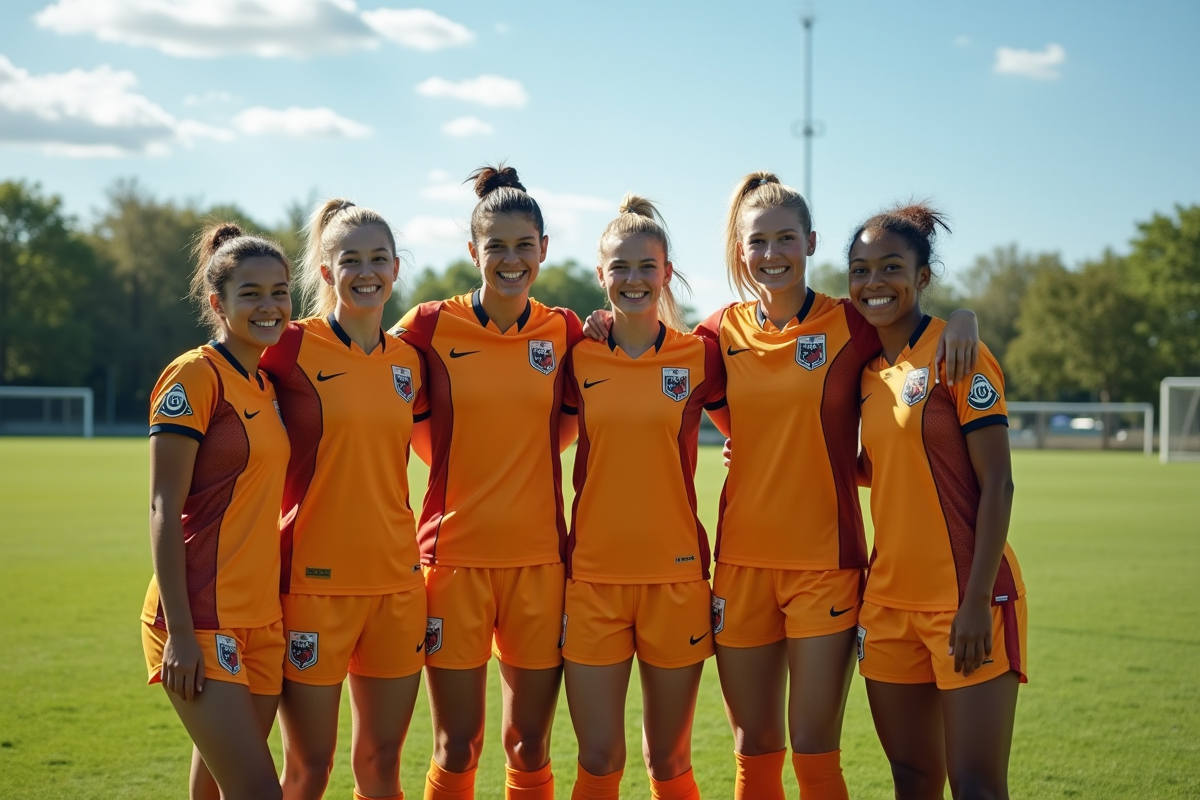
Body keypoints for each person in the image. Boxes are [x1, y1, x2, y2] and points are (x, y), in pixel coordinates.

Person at [583, 172, 980, 800]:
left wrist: (962, 317)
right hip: (739, 565)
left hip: (825, 564)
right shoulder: (717, 334)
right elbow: (669, 373)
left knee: (813, 747)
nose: (772, 254)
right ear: (742, 252)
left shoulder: (850, 324)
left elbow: (913, 328)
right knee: (755, 746)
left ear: (811, 242)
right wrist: (600, 321)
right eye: (759, 242)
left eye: (786, 239)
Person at [392, 165, 583, 800]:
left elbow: (573, 423)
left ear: (544, 250)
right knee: (458, 742)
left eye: (523, 245)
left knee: (528, 742)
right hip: (452, 562)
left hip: (538, 564)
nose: (510, 259)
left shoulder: (565, 331)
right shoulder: (427, 326)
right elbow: (362, 374)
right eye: (495, 246)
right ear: (473, 252)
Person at [850, 203, 1026, 800]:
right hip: (886, 606)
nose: (874, 282)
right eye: (860, 269)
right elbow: (887, 470)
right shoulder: (868, 372)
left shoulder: (959, 354)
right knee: (913, 779)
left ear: (923, 277)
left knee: (975, 785)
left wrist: (977, 601)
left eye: (891, 267)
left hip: (965, 601)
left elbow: (998, 484)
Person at [259, 200, 429, 800]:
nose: (367, 271)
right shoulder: (289, 347)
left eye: (378, 258)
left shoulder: (410, 359)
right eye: (349, 259)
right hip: (312, 586)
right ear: (327, 272)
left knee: (382, 766)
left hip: (398, 585)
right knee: (309, 769)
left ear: (396, 267)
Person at [561, 196, 728, 800]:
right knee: (600, 758)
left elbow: (765, 418)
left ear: (666, 272)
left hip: (677, 578)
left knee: (669, 760)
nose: (633, 280)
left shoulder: (699, 355)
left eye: (646, 267)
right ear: (601, 275)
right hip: (593, 581)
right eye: (619, 268)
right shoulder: (574, 354)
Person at [141, 223, 292, 800]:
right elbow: (162, 505)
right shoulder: (194, 376)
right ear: (217, 303)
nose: (269, 305)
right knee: (259, 791)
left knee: (218, 788)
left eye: (278, 291)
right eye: (250, 293)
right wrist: (180, 632)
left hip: (262, 621)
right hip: (198, 620)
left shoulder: (267, 384)